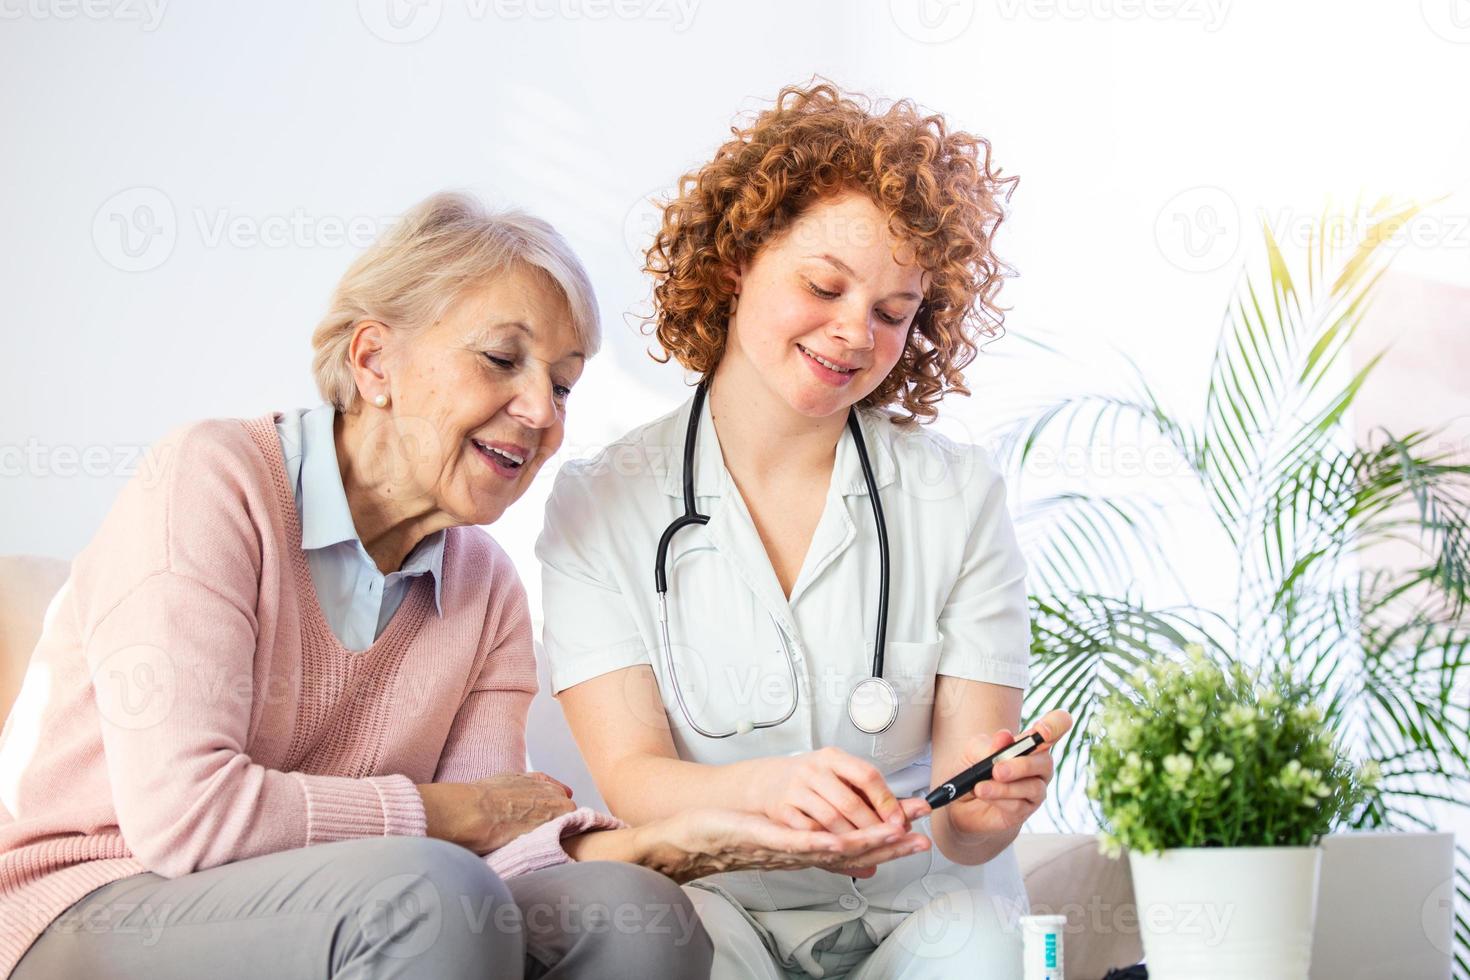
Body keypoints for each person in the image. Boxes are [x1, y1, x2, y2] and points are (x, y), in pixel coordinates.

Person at [0, 191, 919, 980]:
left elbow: (501, 842)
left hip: (338, 896)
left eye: (562, 385)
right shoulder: (213, 480)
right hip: (93, 901)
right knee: (427, 893)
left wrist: (673, 843)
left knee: (627, 915)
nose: (540, 415)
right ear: (374, 363)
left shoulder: (485, 587)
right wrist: (443, 815)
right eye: (501, 359)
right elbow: (188, 818)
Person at [536, 83, 1075, 979]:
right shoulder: (604, 503)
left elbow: (965, 818)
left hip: (927, 906)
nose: (853, 333)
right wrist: (767, 788)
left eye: (894, 312)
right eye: (824, 285)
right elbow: (631, 775)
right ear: (737, 261)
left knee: (976, 950)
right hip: (723, 902)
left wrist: (985, 810)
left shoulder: (957, 496)